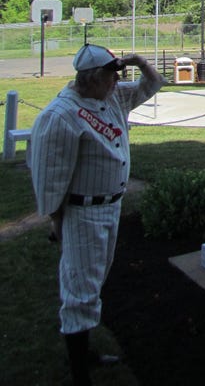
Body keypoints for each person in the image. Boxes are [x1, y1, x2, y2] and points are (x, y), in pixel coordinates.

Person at [30, 44, 166, 386]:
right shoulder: (61, 114)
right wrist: (55, 219)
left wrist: (138, 62)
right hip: (83, 211)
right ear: (93, 78)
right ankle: (81, 373)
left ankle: (85, 351)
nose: (116, 81)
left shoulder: (111, 98)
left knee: (94, 282)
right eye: (111, 75)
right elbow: (50, 174)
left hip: (110, 207)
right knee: (80, 290)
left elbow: (153, 85)